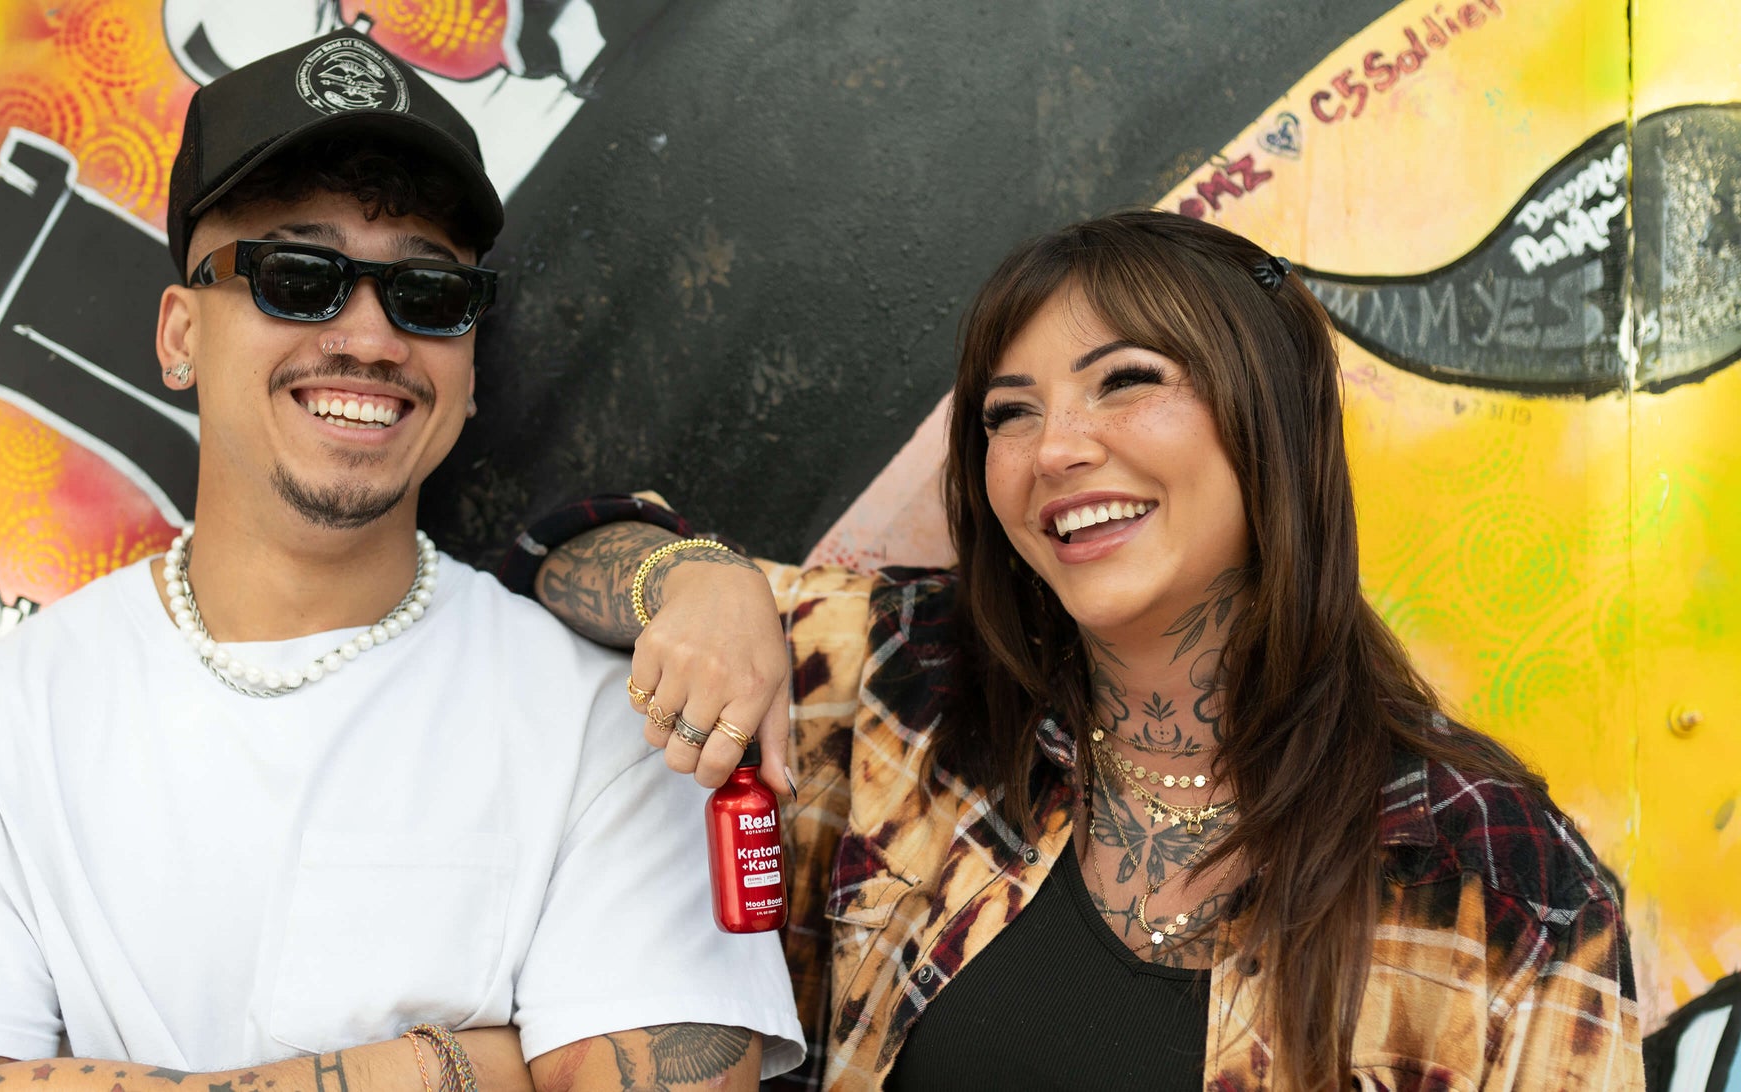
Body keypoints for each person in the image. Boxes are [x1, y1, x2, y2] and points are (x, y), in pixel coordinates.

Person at [0, 28, 802, 1092]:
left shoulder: (618, 728)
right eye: (297, 276)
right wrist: (457, 1066)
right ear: (179, 334)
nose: (372, 337)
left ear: (471, 363)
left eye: (427, 294)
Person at [515, 212, 1643, 1090]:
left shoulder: (1494, 870)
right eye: (1008, 413)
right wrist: (692, 577)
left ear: (1274, 418)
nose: (1054, 448)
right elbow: (555, 549)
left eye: (1126, 381)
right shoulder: (902, 679)